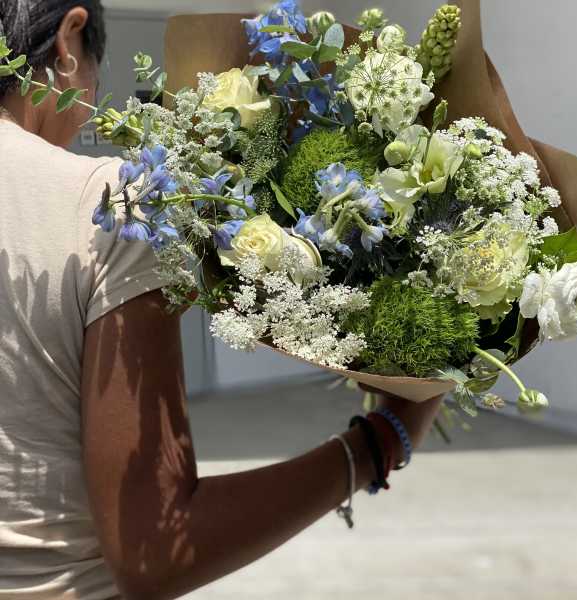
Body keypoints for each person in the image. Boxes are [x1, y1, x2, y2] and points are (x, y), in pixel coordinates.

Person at [0, 2, 443, 599]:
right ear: (69, 39)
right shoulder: (115, 205)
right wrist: (380, 441)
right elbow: (155, 552)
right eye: (96, 73)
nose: (88, 111)